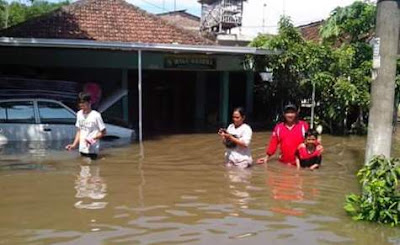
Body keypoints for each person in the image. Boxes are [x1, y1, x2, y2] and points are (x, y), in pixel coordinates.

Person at [66, 92, 107, 160]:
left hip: (92, 150)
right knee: (83, 168)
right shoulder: (79, 114)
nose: (82, 107)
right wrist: (74, 145)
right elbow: (79, 131)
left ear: (90, 102)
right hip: (82, 149)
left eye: (84, 104)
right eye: (80, 105)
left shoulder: (96, 115)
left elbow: (103, 132)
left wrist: (92, 139)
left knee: (93, 169)